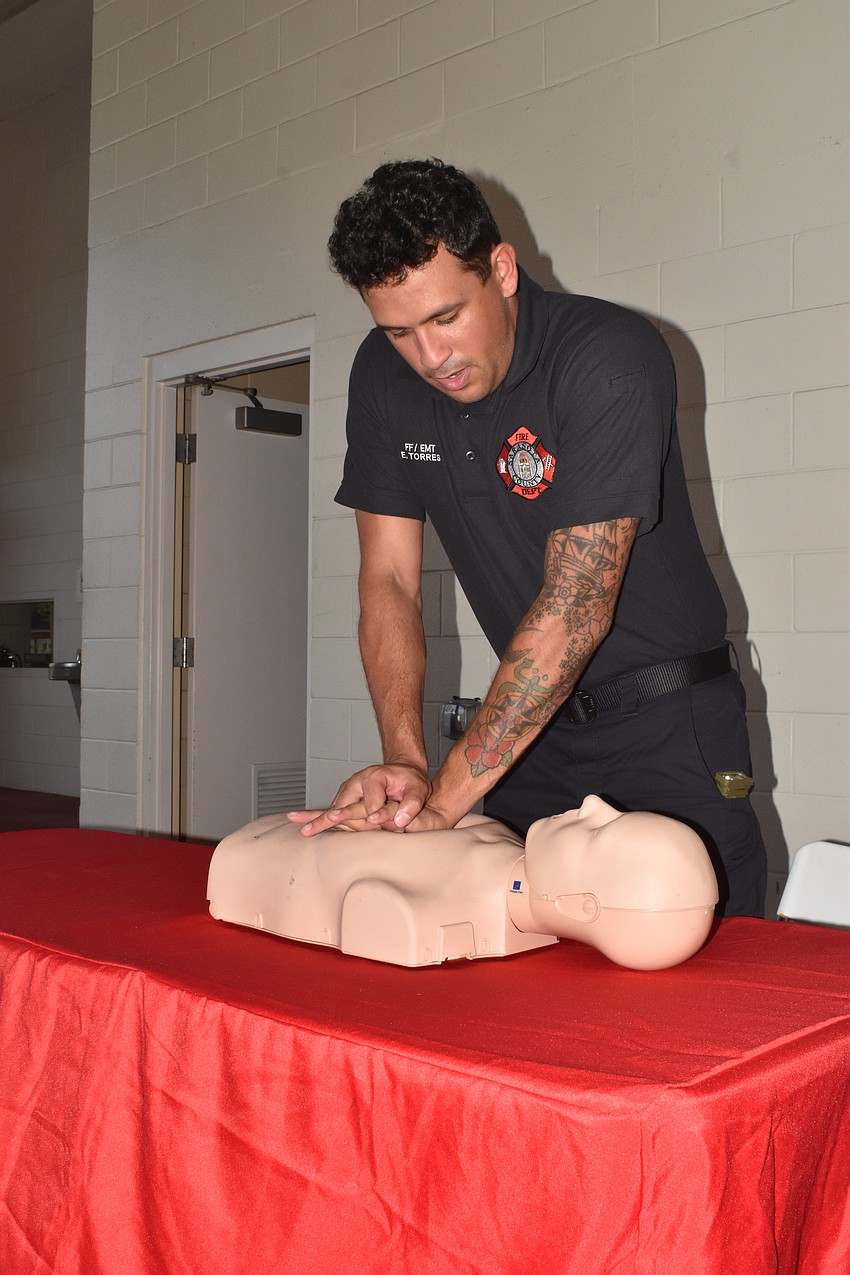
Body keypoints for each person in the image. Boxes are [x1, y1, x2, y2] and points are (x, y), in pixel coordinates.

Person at [289, 158, 767, 918]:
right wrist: (409, 764)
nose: (429, 357)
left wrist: (445, 800)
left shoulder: (607, 357)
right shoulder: (384, 378)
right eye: (399, 330)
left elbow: (576, 605)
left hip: (667, 723)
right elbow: (389, 581)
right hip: (531, 736)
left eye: (446, 317)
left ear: (502, 271)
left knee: (705, 966)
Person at [209, 796, 718, 970]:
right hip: (266, 845)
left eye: (598, 832)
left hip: (261, 860)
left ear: (584, 906)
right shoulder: (498, 837)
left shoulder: (426, 910)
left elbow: (375, 907)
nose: (593, 804)